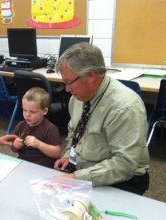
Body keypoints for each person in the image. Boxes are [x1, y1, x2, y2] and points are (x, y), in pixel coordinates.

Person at [53, 42, 150, 195]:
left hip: (124, 177)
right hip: (84, 168)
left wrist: (75, 177)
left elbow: (124, 165)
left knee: (90, 216)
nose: (67, 89)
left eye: (69, 82)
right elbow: (75, 133)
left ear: (90, 75)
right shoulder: (77, 98)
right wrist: (68, 157)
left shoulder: (124, 107)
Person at [11, 87, 62, 168]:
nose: (27, 114)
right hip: (23, 163)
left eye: (32, 112)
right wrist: (15, 145)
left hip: (43, 166)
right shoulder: (21, 125)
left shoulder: (50, 129)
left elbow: (57, 153)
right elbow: (13, 149)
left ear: (44, 111)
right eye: (24, 110)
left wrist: (39, 144)